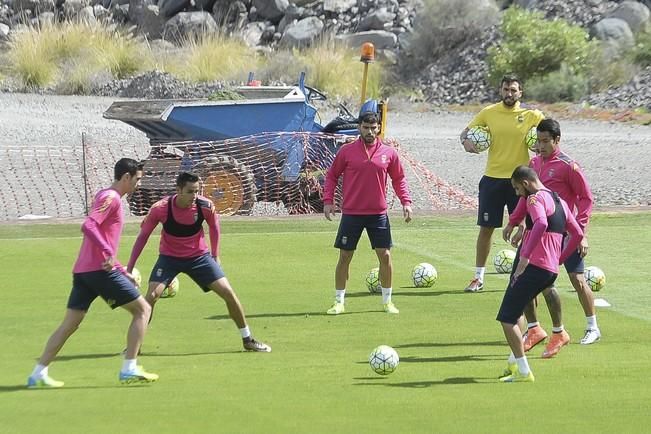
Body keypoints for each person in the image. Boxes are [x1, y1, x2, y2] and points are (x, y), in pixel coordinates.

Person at [27, 158, 158, 388]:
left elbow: (101, 240)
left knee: (70, 324)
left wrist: (121, 270)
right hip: (99, 272)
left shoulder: (107, 196)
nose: (139, 184)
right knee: (143, 309)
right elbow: (88, 225)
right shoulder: (111, 198)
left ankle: (38, 373)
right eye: (137, 179)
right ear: (126, 177)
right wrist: (108, 252)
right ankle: (129, 368)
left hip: (85, 272)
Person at [126, 171, 271, 352]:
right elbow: (143, 237)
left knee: (228, 292)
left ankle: (248, 339)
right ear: (178, 190)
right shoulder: (160, 208)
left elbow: (214, 227)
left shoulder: (205, 206)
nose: (194, 196)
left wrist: (216, 256)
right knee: (151, 297)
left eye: (197, 191)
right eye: (190, 191)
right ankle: (135, 346)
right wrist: (129, 268)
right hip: (169, 259)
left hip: (199, 258)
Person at [503, 118, 600, 358]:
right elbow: (526, 197)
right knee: (539, 281)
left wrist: (581, 231)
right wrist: (516, 222)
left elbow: (585, 199)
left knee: (577, 279)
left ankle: (592, 326)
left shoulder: (569, 166)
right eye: (538, 140)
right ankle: (536, 330)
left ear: (557, 140)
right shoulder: (534, 163)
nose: (541, 146)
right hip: (540, 234)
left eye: (546, 141)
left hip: (565, 230)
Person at [497, 166, 583, 383]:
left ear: (525, 183)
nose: (517, 194)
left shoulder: (534, 199)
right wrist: (559, 260)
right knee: (517, 312)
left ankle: (524, 371)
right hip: (549, 271)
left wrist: (525, 257)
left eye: (517, 189)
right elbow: (578, 234)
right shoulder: (560, 201)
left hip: (534, 267)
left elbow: (541, 223)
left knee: (507, 319)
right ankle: (513, 363)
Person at [460, 74, 545, 292]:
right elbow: (465, 133)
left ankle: (524, 275)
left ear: (520, 93)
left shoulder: (532, 115)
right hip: (492, 179)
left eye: (513, 90)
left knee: (527, 228)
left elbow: (551, 133)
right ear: (501, 90)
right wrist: (467, 142)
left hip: (521, 181)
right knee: (486, 228)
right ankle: (478, 277)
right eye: (506, 89)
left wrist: (541, 147)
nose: (509, 94)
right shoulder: (489, 113)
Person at [322, 111, 413, 315]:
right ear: (359, 127)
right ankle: (339, 302)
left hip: (378, 214)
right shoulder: (346, 151)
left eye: (373, 128)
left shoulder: (389, 153)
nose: (370, 132)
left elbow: (399, 179)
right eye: (366, 127)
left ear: (379, 128)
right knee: (345, 256)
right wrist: (328, 201)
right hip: (352, 213)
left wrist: (406, 202)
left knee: (385, 256)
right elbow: (331, 176)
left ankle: (387, 301)